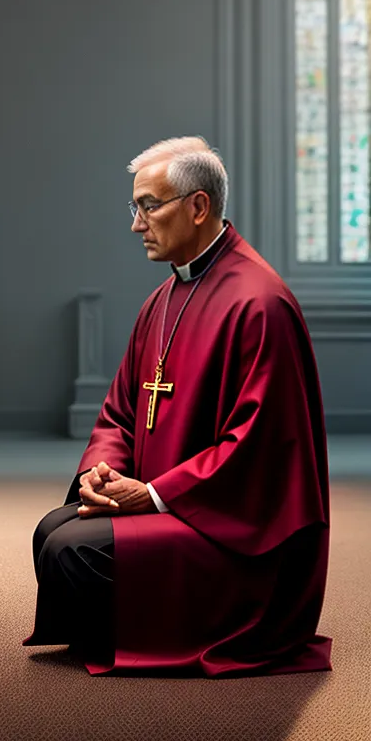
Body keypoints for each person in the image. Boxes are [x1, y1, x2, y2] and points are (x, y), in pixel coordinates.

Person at [23, 137, 332, 677]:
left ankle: (155, 634)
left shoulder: (260, 303)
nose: (137, 224)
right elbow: (120, 411)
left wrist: (155, 494)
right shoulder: (162, 301)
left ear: (198, 206)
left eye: (148, 206)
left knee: (72, 550)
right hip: (177, 507)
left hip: (235, 534)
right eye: (134, 207)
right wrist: (106, 472)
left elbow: (257, 451)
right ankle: (123, 629)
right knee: (53, 529)